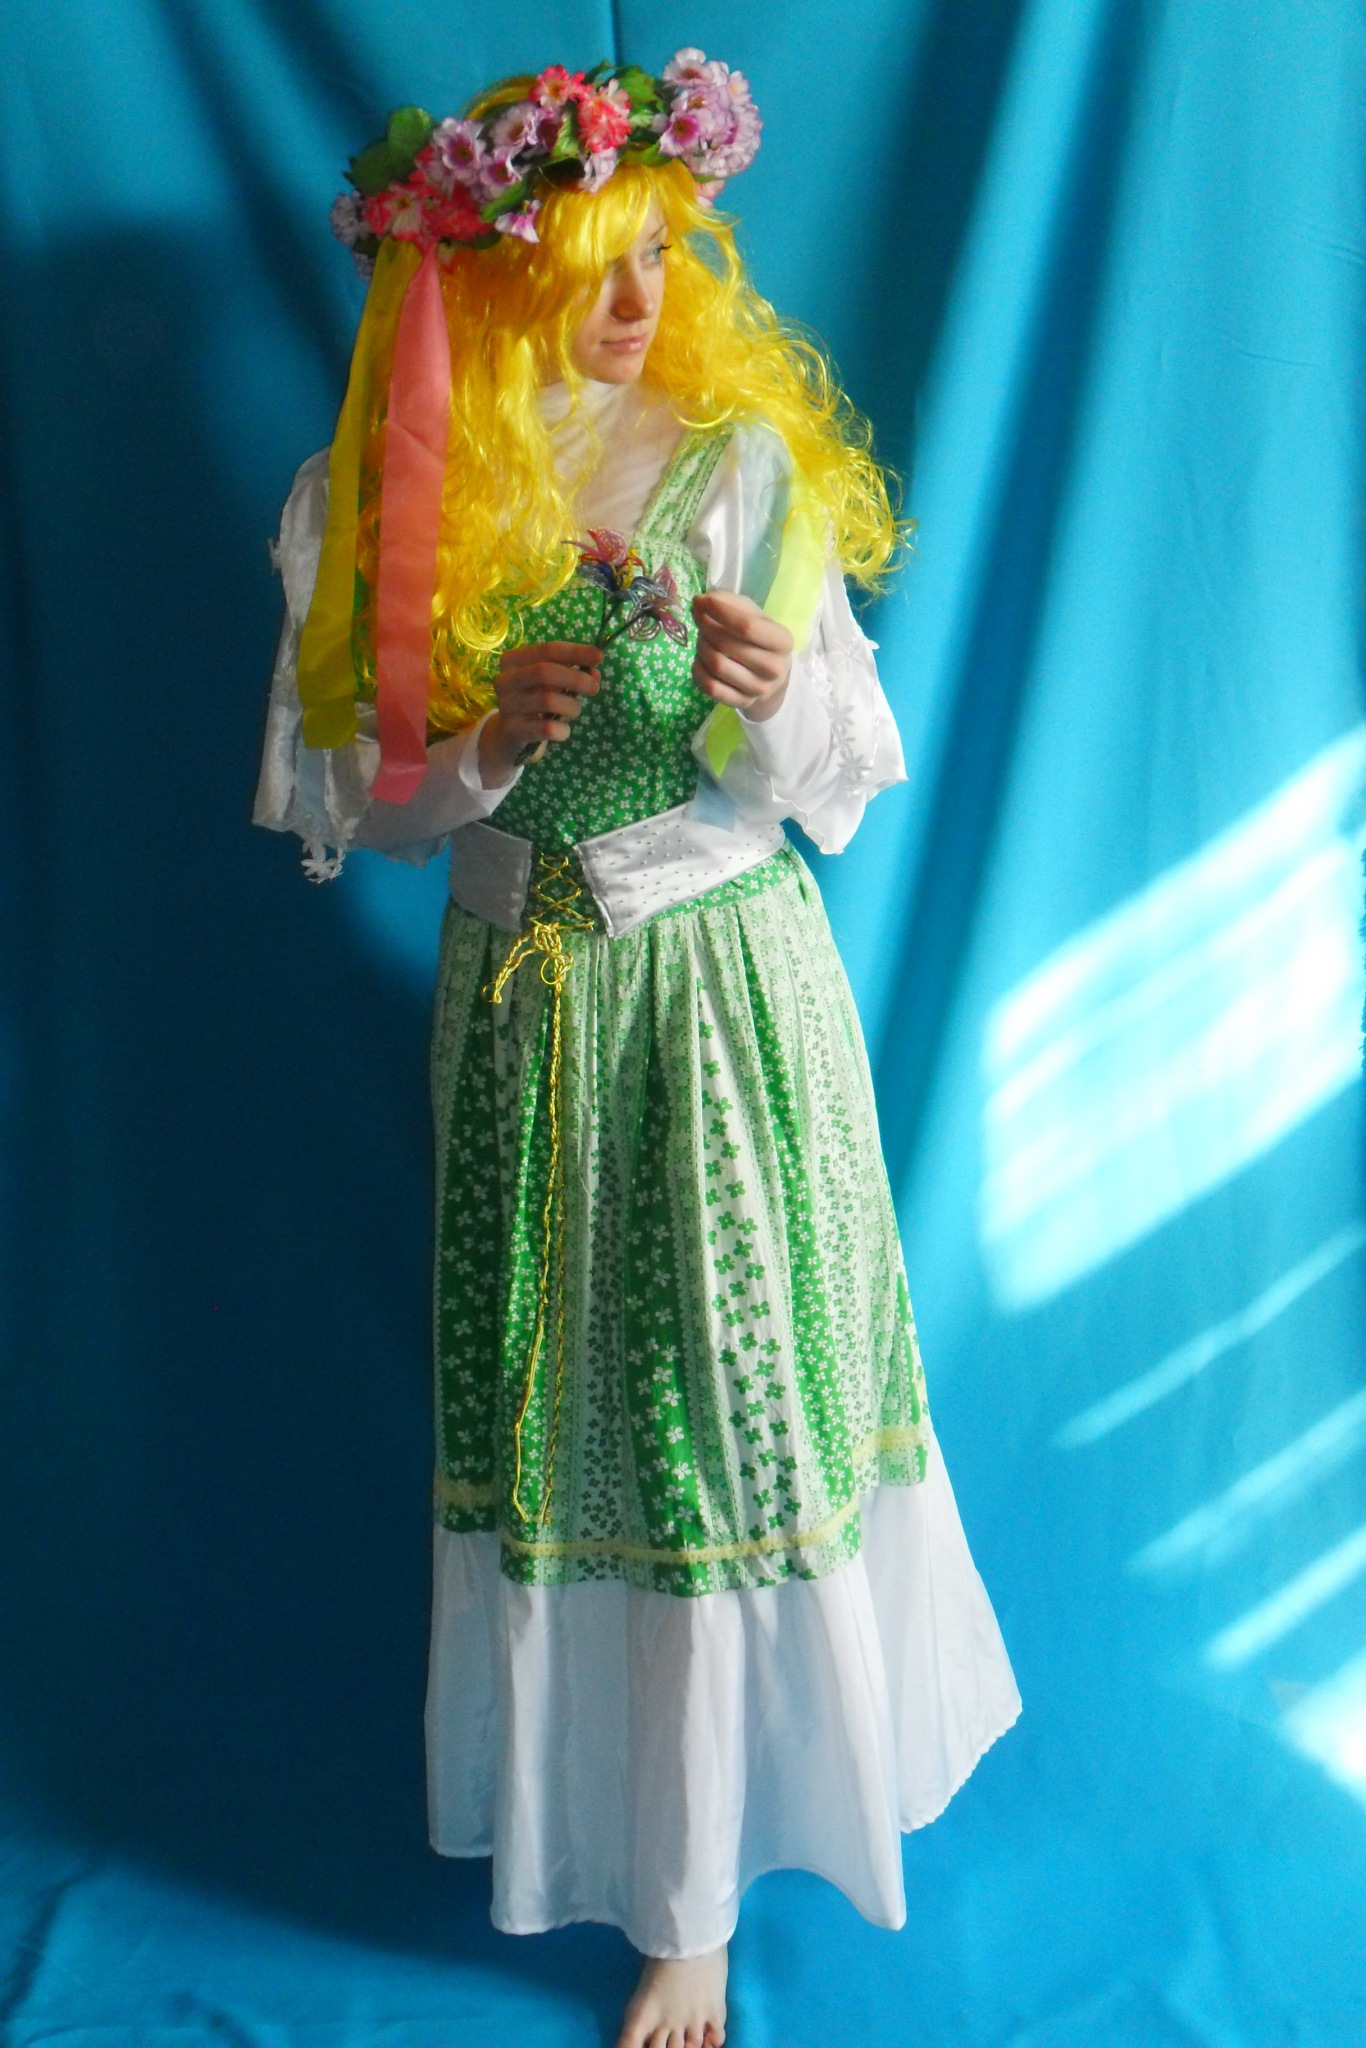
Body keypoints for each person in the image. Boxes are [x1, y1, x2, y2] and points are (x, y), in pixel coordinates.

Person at [254, 52, 1020, 2048]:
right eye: (595, 258)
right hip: (523, 1017)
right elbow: (345, 805)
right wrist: (480, 743)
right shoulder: (386, 498)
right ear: (493, 274)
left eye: (662, 254)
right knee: (564, 1417)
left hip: (722, 999)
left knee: (728, 1417)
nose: (633, 298)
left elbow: (841, 780)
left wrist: (767, 701)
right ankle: (631, 1841)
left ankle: (704, 1900)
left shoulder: (739, 469)